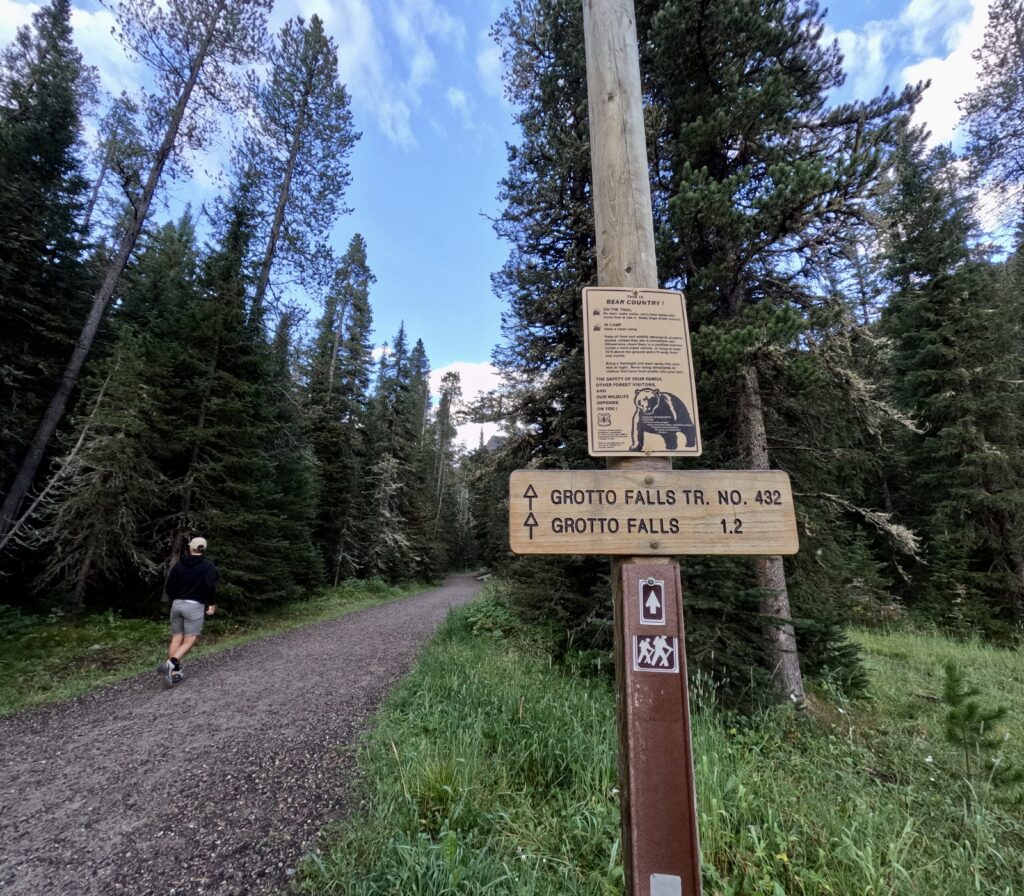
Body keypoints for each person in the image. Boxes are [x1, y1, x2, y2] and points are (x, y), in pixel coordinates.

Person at [159, 536, 218, 687]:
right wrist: (210, 603)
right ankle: (170, 664)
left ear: (190, 548)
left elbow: (170, 586)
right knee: (190, 640)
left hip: (177, 604)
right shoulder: (208, 566)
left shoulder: (179, 565)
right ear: (203, 549)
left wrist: (176, 599)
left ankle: (174, 673)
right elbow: (209, 586)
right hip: (194, 606)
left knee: (176, 638)